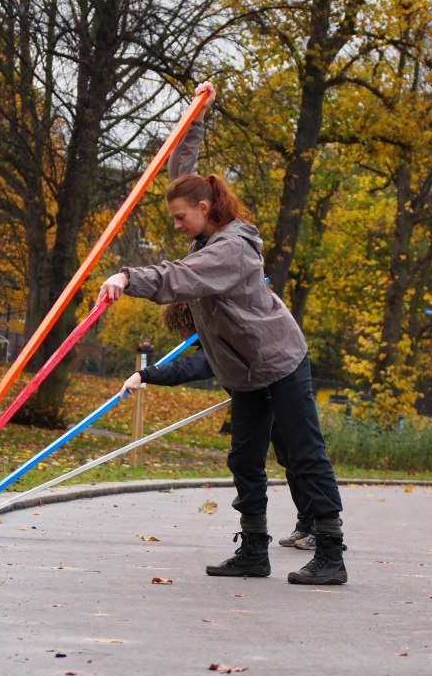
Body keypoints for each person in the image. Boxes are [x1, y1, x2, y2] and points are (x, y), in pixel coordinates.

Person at [98, 81, 346, 585]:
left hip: (279, 360)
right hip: (244, 371)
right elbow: (181, 170)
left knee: (303, 453)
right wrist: (196, 116)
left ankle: (331, 554)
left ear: (206, 209)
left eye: (181, 217)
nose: (177, 225)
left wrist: (127, 277)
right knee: (244, 459)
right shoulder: (207, 231)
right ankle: (254, 550)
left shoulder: (231, 249)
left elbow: (179, 278)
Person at [120, 302, 317, 552]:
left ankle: (320, 528)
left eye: (181, 329)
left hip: (277, 396)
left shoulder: (220, 339)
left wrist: (144, 375)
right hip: (261, 403)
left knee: (299, 460)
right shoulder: (212, 339)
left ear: (192, 323)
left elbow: (191, 367)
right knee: (289, 460)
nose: (180, 337)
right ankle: (306, 524)